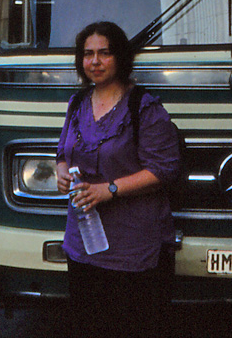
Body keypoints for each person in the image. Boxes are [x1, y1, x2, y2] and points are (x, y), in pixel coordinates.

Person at [54, 21, 181, 338]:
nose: (94, 62)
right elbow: (63, 153)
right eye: (88, 54)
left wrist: (109, 189)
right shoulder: (78, 103)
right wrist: (60, 170)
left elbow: (164, 169)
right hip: (82, 241)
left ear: (120, 57)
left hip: (132, 246)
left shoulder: (144, 107)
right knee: (88, 324)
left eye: (104, 53)